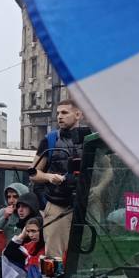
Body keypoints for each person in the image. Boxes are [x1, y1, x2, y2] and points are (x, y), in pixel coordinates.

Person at [32, 99, 90, 259]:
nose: (59, 117)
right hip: (59, 205)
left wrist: (97, 190)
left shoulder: (90, 139)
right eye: (58, 113)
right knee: (54, 258)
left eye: (64, 112)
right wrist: (50, 177)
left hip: (87, 206)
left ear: (78, 114)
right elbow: (33, 172)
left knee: (87, 257)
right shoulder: (50, 140)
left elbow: (107, 171)